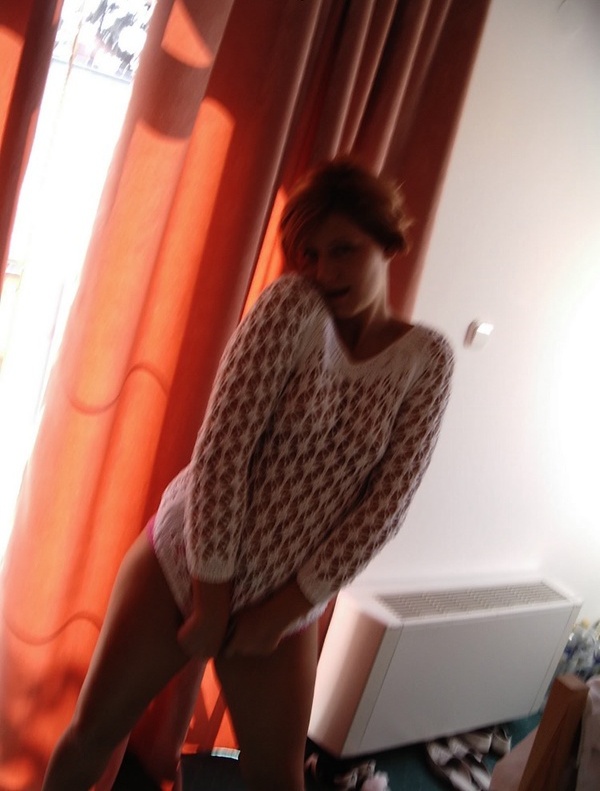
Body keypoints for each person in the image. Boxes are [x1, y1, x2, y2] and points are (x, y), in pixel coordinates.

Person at [42, 157, 454, 791]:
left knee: (277, 777)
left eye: (344, 249)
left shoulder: (427, 360)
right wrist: (211, 600)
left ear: (388, 242)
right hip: (183, 561)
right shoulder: (291, 307)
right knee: (94, 732)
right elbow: (223, 452)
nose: (325, 270)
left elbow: (383, 509)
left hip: (285, 597)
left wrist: (280, 612)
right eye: (310, 254)